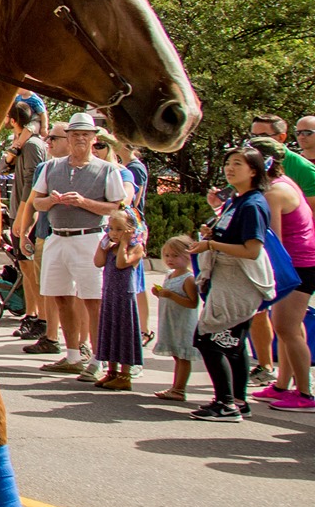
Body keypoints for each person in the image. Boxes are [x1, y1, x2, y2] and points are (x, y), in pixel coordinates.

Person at [31, 112, 127, 382]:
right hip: (58, 235)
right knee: (61, 296)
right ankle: (72, 354)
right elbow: (37, 202)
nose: (80, 139)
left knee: (92, 299)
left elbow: (116, 206)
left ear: (94, 138)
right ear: (68, 138)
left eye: (85, 135)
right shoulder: (52, 167)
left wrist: (83, 202)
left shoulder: (107, 169)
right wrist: (51, 201)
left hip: (89, 236)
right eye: (75, 135)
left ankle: (97, 358)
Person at [190, 146, 272, 422]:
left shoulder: (253, 205)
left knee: (208, 339)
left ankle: (225, 404)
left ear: (254, 171)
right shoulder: (238, 201)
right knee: (234, 345)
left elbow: (252, 250)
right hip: (228, 279)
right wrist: (211, 233)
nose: (230, 168)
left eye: (238, 163)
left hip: (239, 281)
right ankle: (238, 400)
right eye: (228, 163)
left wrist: (211, 244)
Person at [252, 136, 315, 411]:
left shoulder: (274, 192)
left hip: (300, 265)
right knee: (289, 327)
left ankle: (305, 394)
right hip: (299, 262)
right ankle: (282, 385)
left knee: (288, 328)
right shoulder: (281, 184)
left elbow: (272, 239)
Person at [3, 98, 53, 350]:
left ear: (13, 120)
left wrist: (24, 218)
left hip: (26, 216)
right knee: (25, 269)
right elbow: (3, 167)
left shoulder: (33, 146)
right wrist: (14, 148)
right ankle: (31, 314)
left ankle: (41, 318)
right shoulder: (21, 144)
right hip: (17, 213)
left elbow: (33, 185)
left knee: (33, 271)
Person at [90, 206, 148, 390]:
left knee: (124, 335)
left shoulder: (136, 248)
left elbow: (122, 263)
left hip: (125, 298)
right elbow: (98, 262)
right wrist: (103, 243)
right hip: (110, 296)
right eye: (111, 229)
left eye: (119, 229)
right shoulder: (110, 248)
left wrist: (124, 243)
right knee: (110, 333)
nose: (114, 233)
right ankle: (112, 372)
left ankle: (125, 375)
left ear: (130, 230)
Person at [151, 237, 201, 402]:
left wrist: (171, 295)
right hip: (170, 320)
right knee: (176, 355)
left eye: (175, 256)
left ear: (187, 257)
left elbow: (193, 303)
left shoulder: (188, 278)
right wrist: (160, 294)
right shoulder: (170, 275)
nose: (170, 260)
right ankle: (175, 387)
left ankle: (179, 389)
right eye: (167, 256)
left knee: (183, 356)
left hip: (183, 323)